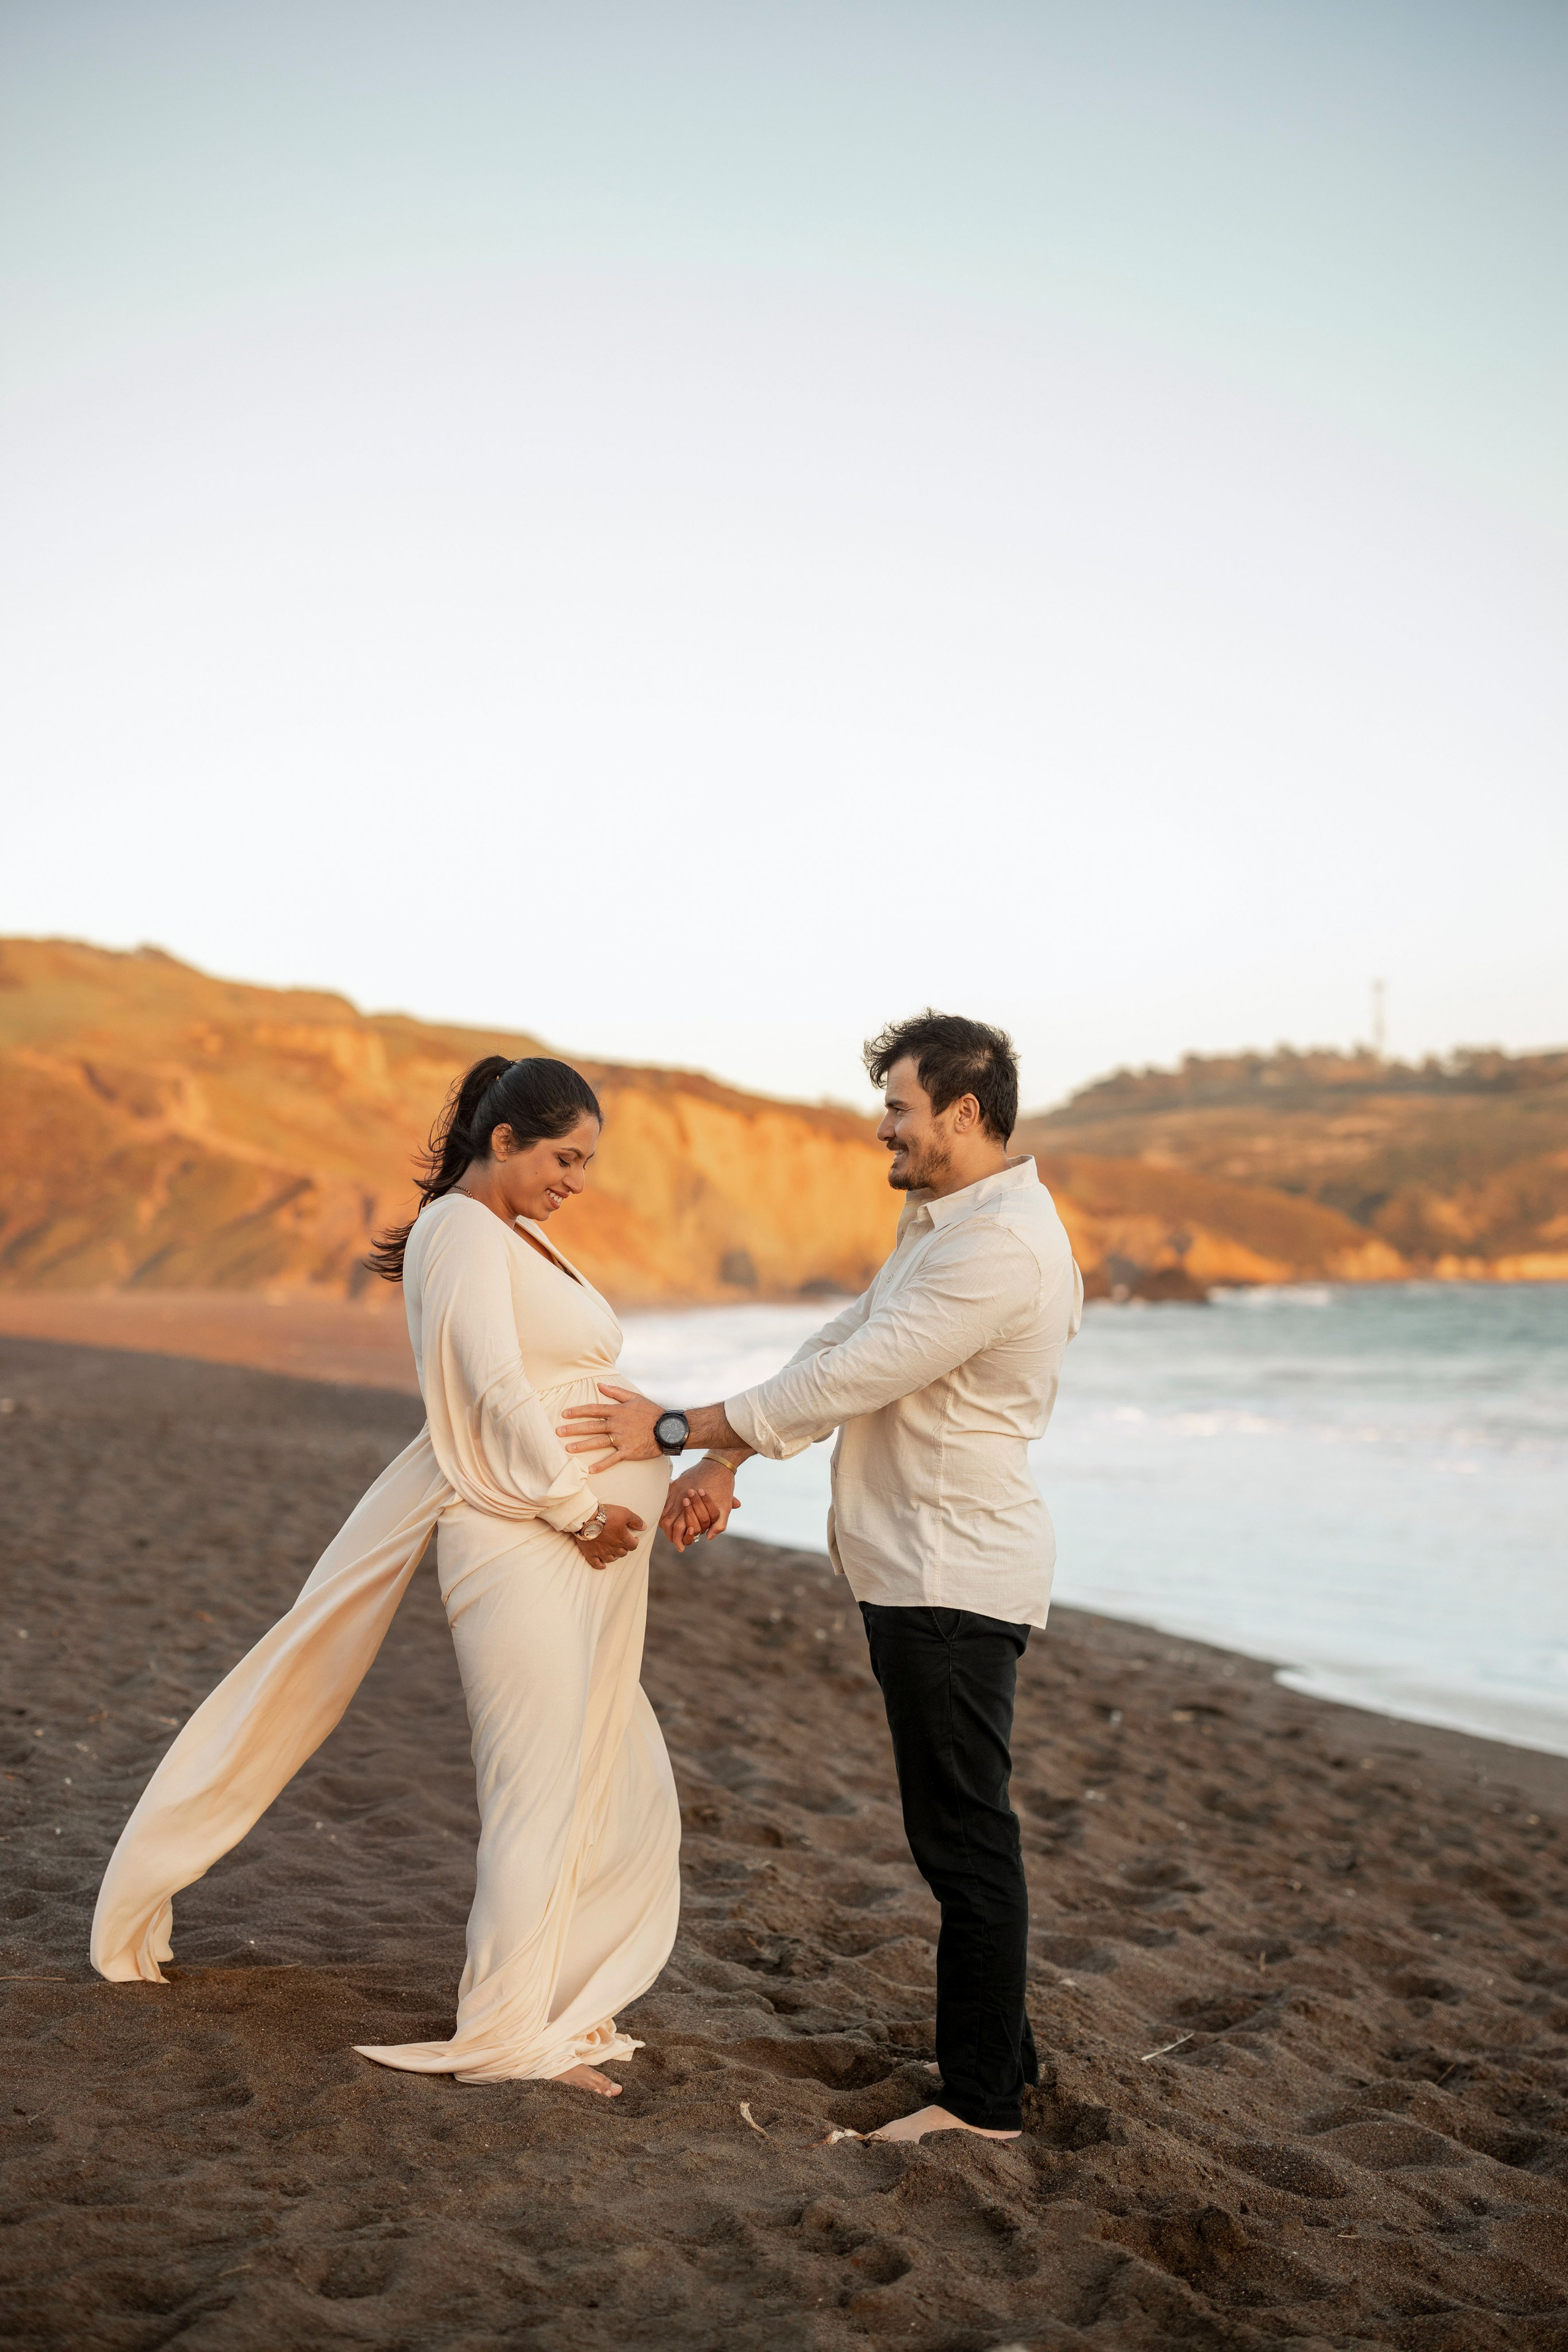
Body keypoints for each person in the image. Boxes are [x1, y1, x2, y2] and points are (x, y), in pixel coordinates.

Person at [91, 1055, 681, 2098]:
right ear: (503, 1141)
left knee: (597, 1770)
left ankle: (553, 2004)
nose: (578, 1181)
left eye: (588, 1162)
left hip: (579, 1545)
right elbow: (492, 1388)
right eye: (566, 1157)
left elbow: (559, 1376)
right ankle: (503, 2035)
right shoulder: (460, 1231)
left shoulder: (518, 1232)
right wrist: (580, 1506)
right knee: (535, 1788)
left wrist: (659, 1456)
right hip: (524, 1532)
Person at [559, 1011, 1082, 2143]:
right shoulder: (946, 1223)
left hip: (954, 1574)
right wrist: (725, 1453)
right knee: (963, 1829)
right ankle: (1011, 2063)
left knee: (964, 1841)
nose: (881, 1124)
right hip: (924, 1564)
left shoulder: (1000, 1247)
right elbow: (840, 1348)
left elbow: (867, 1374)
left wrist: (673, 1429)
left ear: (963, 1113)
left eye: (899, 1106)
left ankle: (982, 2108)